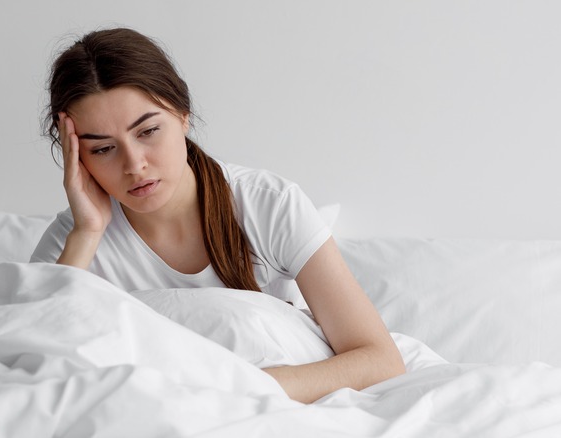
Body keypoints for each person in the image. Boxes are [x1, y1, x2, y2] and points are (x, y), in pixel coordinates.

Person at [30, 27, 405, 403]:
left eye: (148, 131)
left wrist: (238, 389)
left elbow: (380, 359)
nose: (134, 164)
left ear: (182, 115)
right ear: (75, 156)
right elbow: (33, 358)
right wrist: (87, 233)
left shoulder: (268, 204)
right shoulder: (76, 238)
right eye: (104, 149)